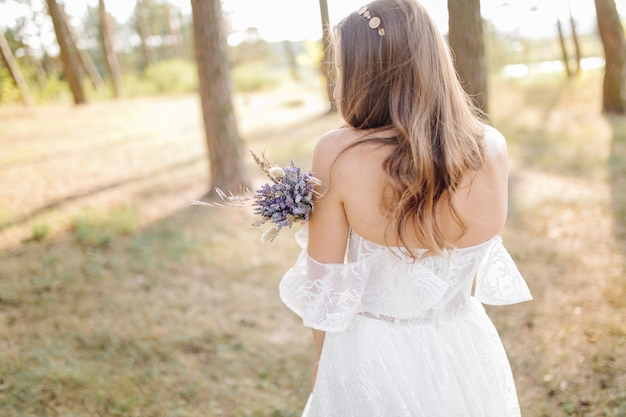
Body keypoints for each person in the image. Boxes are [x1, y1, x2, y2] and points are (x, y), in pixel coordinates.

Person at [279, 0, 532, 416]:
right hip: (464, 349)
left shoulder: (338, 154)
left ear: (367, 73)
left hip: (370, 357)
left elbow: (324, 285)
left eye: (341, 69)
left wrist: (324, 368)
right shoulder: (492, 148)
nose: (337, 82)